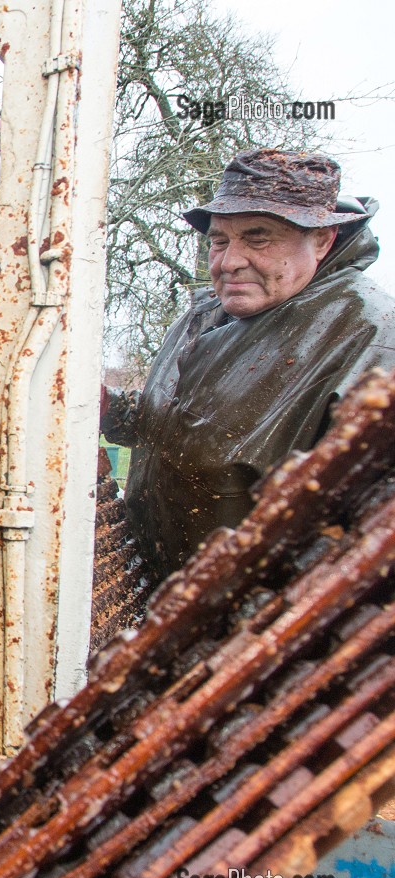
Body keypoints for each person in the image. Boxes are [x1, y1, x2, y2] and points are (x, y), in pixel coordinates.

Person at [102, 148, 395, 578]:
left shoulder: (370, 338)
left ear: (321, 240)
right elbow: (174, 426)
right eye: (219, 240)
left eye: (258, 237)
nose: (229, 261)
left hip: (251, 623)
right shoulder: (207, 312)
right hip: (154, 594)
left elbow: (366, 538)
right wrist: (108, 407)